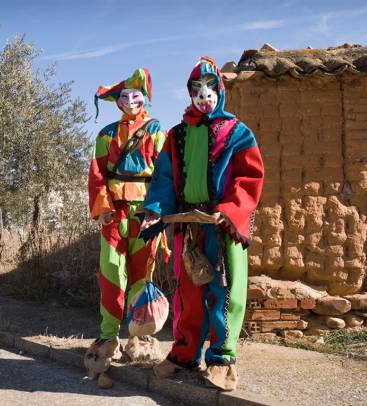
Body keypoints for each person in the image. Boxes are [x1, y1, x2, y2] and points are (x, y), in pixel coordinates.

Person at [140, 56, 264, 391]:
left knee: (224, 292)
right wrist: (155, 209)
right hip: (187, 225)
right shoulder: (176, 135)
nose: (203, 94)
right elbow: (164, 178)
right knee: (188, 293)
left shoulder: (238, 133)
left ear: (219, 91)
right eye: (197, 88)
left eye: (210, 87)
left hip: (221, 225)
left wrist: (229, 210)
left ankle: (222, 360)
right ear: (190, 92)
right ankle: (184, 354)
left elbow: (249, 178)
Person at [85, 68, 167, 384]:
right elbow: (97, 173)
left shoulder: (157, 131)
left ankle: (139, 337)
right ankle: (108, 337)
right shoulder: (106, 134)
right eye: (124, 96)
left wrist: (156, 209)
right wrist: (103, 208)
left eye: (136, 95)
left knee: (142, 275)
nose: (131, 101)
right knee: (110, 272)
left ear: (145, 98)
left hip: (145, 213)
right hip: (114, 214)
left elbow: (164, 174)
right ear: (117, 101)